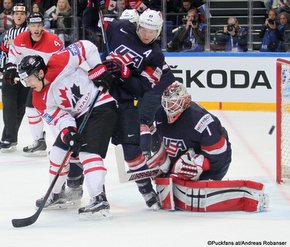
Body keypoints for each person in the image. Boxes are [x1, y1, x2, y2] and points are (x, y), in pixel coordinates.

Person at [17, 40, 118, 216]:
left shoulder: (59, 60)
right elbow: (60, 117)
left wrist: (97, 68)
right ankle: (56, 194)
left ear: (40, 72)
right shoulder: (38, 99)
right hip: (77, 117)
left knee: (88, 153)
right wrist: (68, 133)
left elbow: (87, 47)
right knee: (57, 152)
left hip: (101, 104)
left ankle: (99, 199)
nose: (28, 85)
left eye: (29, 79)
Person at [151, 82, 267, 212]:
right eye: (166, 103)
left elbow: (220, 153)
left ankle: (246, 197)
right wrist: (159, 160)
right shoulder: (159, 114)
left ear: (185, 101)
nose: (168, 107)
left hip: (214, 165)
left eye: (172, 103)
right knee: (171, 173)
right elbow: (154, 139)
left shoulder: (200, 120)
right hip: (182, 159)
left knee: (187, 180)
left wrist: (200, 166)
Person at [102, 8, 175, 210]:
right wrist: (91, 6)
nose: (146, 34)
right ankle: (78, 186)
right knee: (89, 147)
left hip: (133, 97)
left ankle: (146, 188)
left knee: (133, 146)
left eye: (152, 31)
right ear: (137, 26)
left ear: (158, 32)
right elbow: (91, 24)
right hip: (102, 95)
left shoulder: (156, 56)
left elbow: (142, 88)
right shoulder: (119, 28)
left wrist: (124, 73)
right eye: (143, 29)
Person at [6, 12, 64, 156]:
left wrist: (47, 80)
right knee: (31, 110)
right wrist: (11, 67)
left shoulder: (53, 41)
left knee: (51, 112)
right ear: (29, 27)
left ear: (43, 26)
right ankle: (39, 141)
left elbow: (63, 62)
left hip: (54, 81)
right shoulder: (21, 39)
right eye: (33, 25)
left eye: (38, 25)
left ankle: (62, 144)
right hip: (38, 82)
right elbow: (13, 53)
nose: (36, 29)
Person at [0, 3, 29, 152]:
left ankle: (9, 137)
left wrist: (17, 44)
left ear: (26, 16)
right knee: (9, 105)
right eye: (16, 14)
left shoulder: (31, 31)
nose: (19, 16)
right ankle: (9, 138)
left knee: (21, 107)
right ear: (13, 16)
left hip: (26, 73)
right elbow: (4, 53)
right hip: (10, 71)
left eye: (22, 14)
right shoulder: (7, 33)